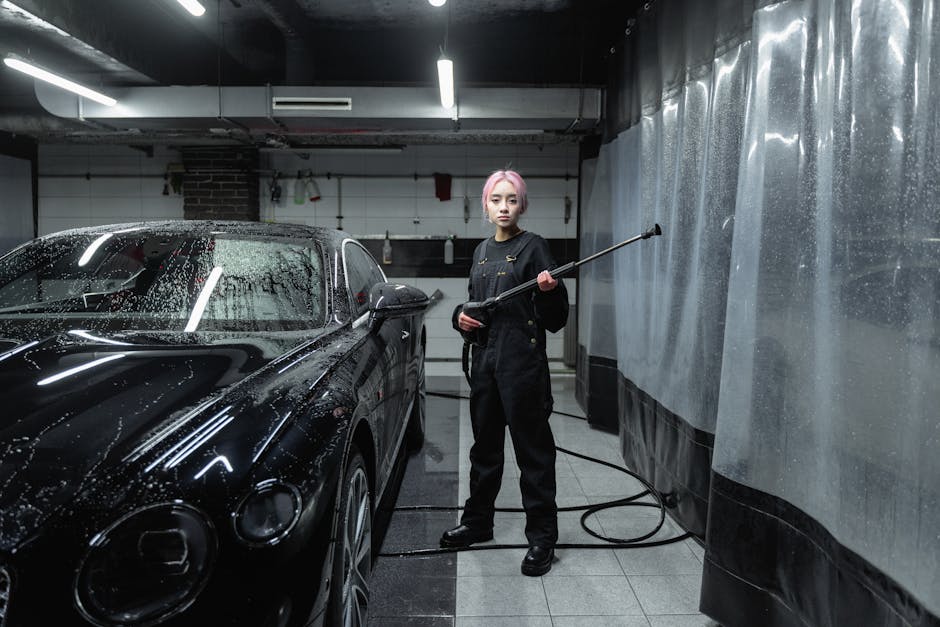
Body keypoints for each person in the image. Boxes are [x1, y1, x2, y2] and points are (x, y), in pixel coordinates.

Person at [439, 169, 568, 576]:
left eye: (511, 199)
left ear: (522, 204)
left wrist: (551, 292)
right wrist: (459, 317)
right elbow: (474, 308)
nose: (504, 207)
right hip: (485, 368)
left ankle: (542, 537)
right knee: (485, 451)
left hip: (523, 369)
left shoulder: (535, 248)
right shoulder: (480, 252)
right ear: (486, 204)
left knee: (533, 455)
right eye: (497, 200)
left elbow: (556, 319)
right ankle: (478, 523)